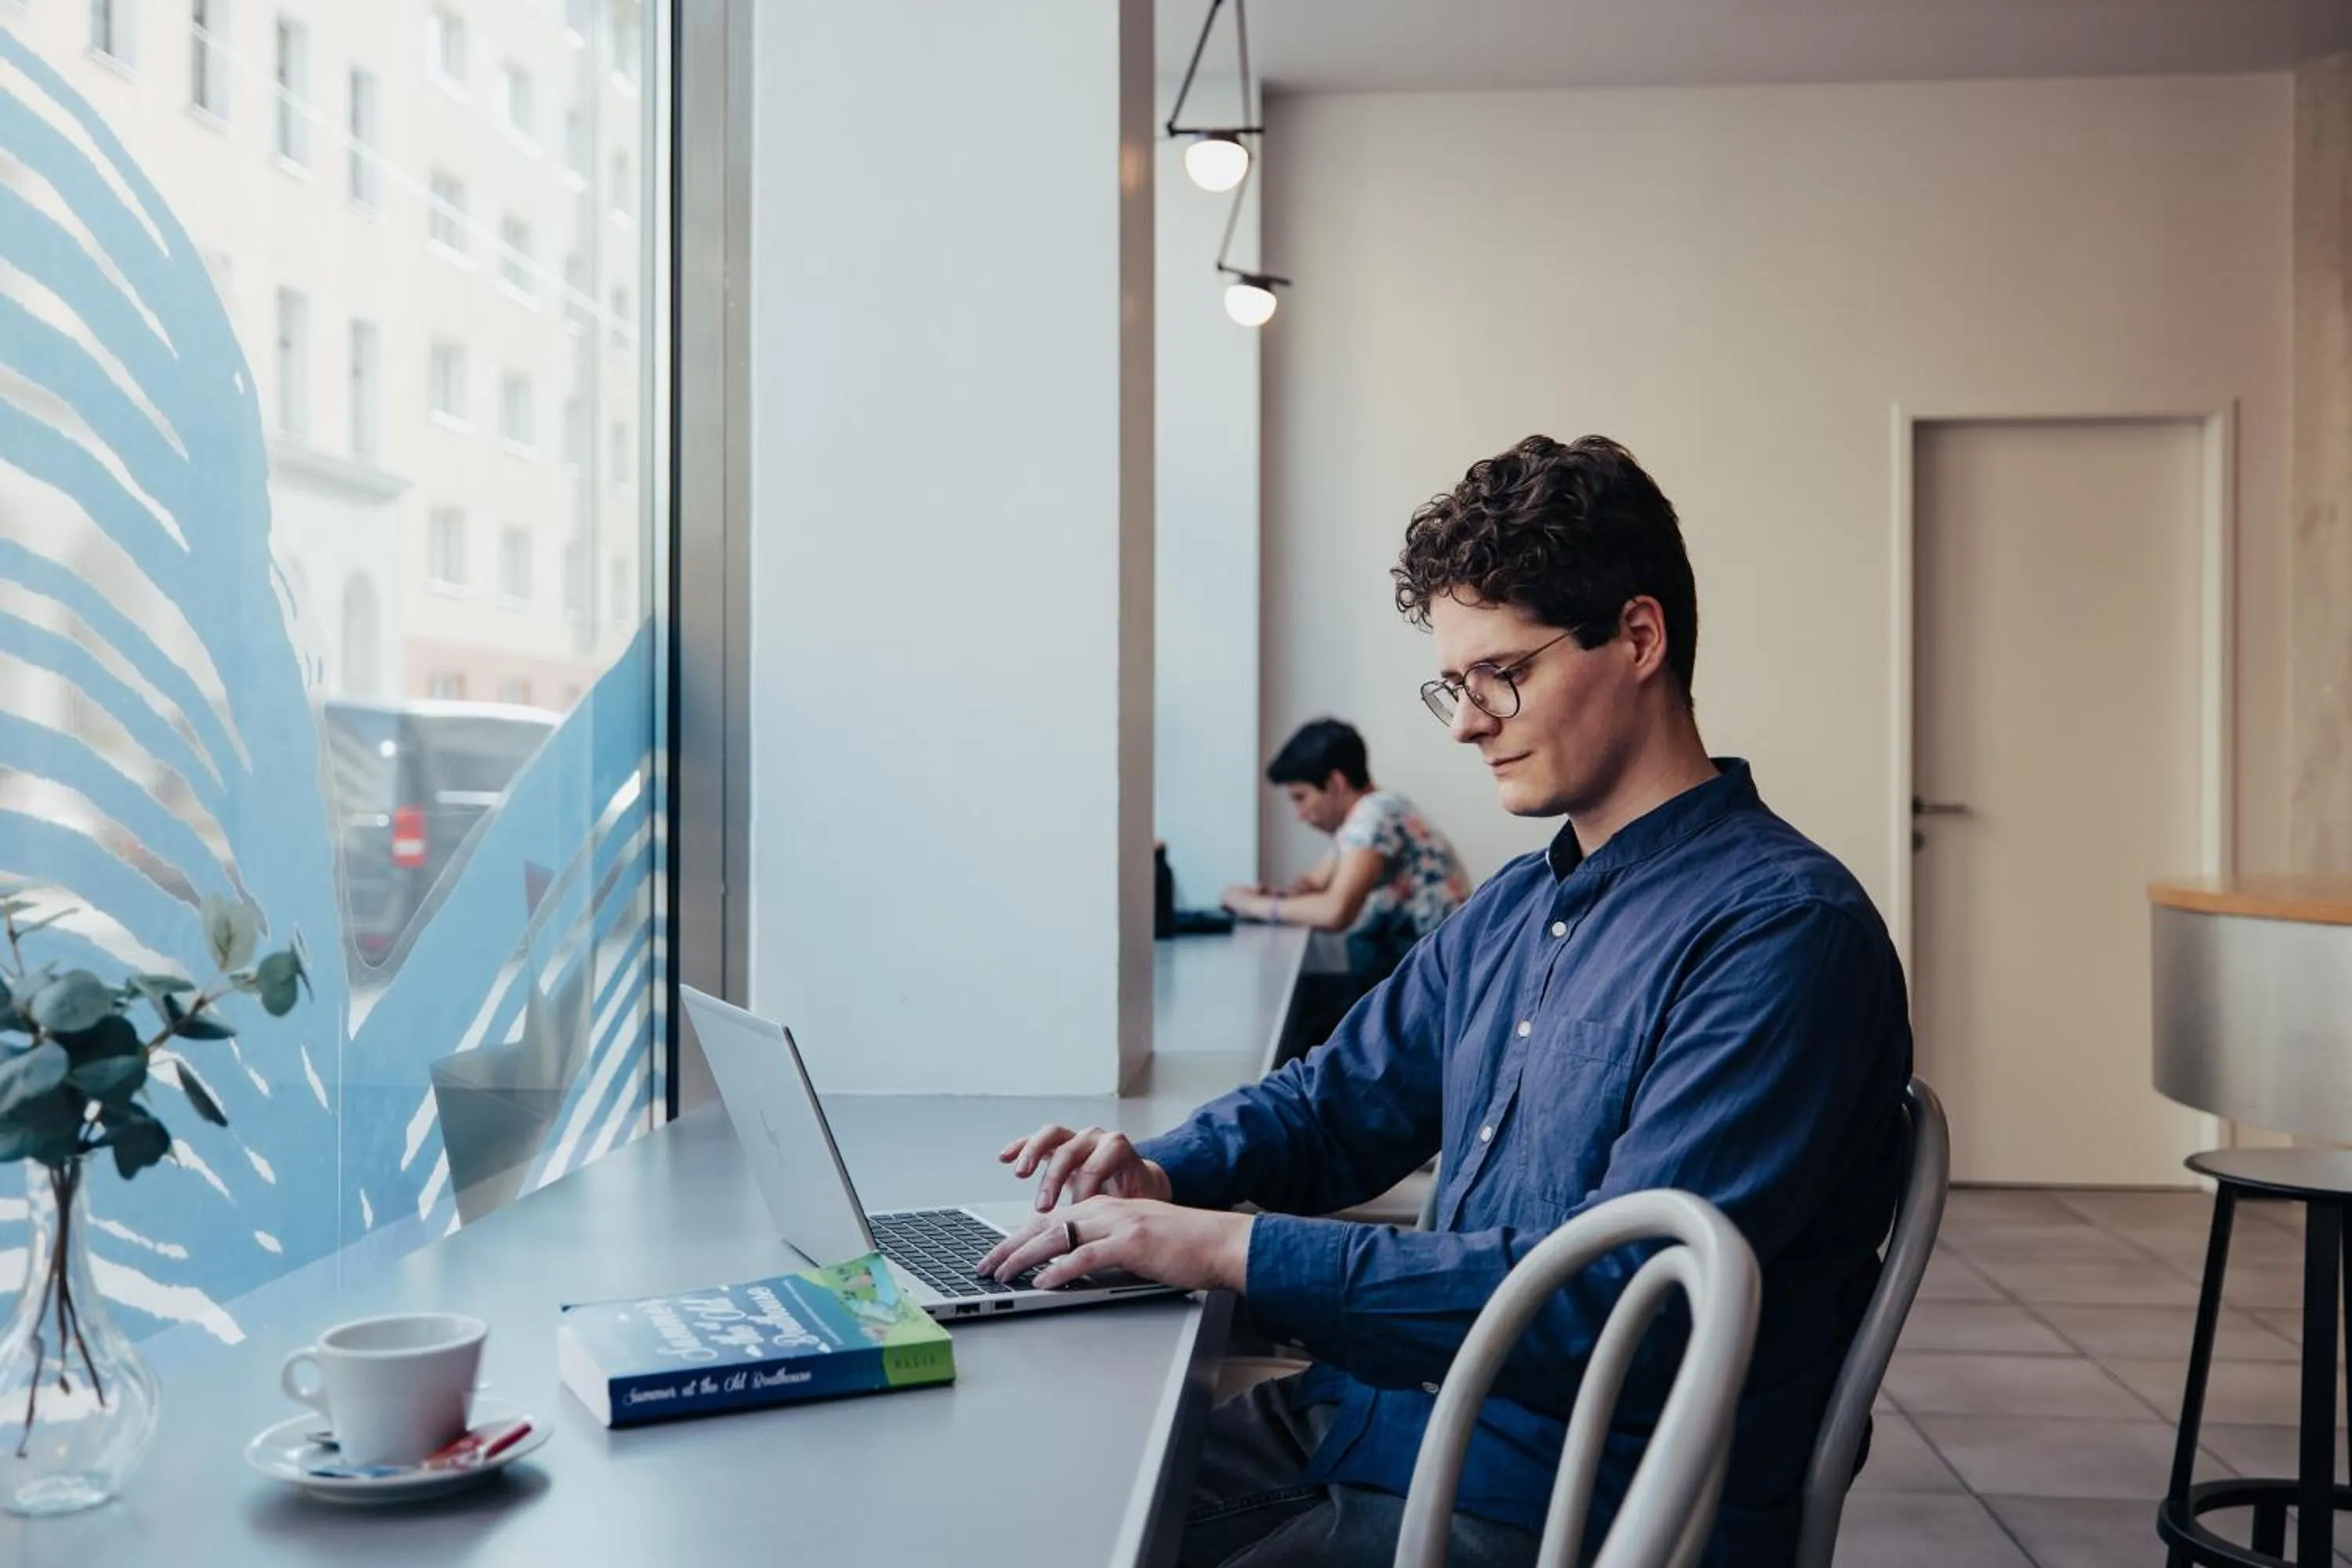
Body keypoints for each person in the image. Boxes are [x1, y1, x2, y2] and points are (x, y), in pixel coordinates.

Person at [976, 434, 1911, 1567]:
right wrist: (1164, 1177)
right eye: (1453, 687)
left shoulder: (1779, 933)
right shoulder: (1519, 905)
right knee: (1043, 1496)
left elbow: (1619, 1307)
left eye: (1501, 675)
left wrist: (1232, 1251)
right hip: (1390, 1421)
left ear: (1639, 637)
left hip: (1559, 1508)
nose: (1467, 724)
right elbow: (1334, 1104)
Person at [1221, 717, 1469, 1044]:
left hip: (1427, 988)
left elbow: (1335, 912)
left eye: (1300, 797)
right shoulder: (1367, 816)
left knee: (1295, 1029)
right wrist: (1272, 895)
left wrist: (1251, 904)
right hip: (1414, 974)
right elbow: (1314, 882)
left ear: (1335, 783)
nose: (1299, 814)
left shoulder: (1375, 815)